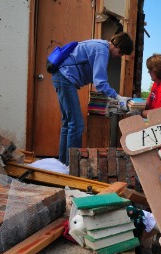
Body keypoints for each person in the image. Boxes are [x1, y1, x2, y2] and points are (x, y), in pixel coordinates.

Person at [52, 32, 134, 165]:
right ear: (118, 47)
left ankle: (63, 164)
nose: (119, 57)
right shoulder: (102, 51)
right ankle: (72, 166)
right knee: (77, 125)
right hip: (65, 78)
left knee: (68, 123)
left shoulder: (99, 44)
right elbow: (99, 83)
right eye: (121, 53)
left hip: (61, 76)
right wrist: (118, 97)